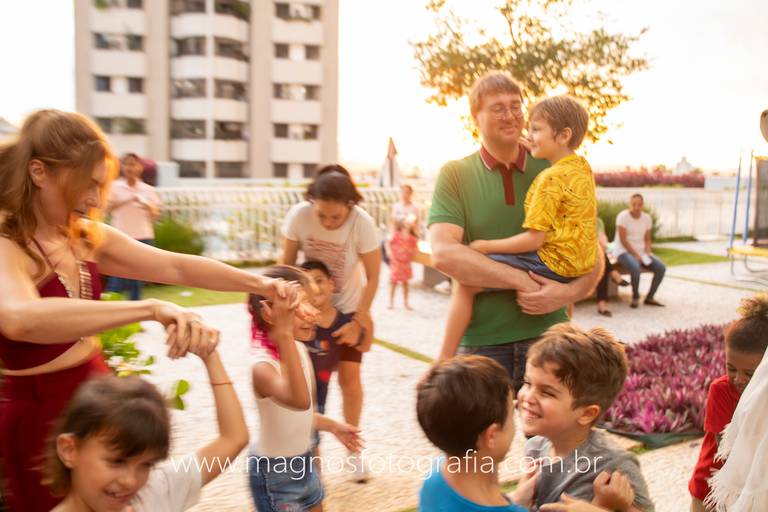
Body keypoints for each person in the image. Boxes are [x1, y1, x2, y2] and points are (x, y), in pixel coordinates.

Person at [0, 109, 295, 511]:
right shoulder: (9, 242)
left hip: (96, 401)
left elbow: (175, 266)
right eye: (88, 184)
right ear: (39, 172)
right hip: (41, 422)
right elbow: (19, 319)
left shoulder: (81, 235)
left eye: (100, 186)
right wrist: (150, 308)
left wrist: (261, 284)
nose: (94, 200)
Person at [428, 71, 603, 391]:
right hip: (483, 343)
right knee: (478, 426)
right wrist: (523, 281)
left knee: (550, 427)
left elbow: (592, 247)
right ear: (475, 116)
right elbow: (443, 254)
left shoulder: (553, 165)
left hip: (552, 337)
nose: (510, 116)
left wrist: (567, 294)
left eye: (516, 106)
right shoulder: (455, 174)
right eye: (498, 108)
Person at [43, 337, 248, 512]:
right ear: (69, 450)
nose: (130, 481)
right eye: (117, 461)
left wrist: (210, 355)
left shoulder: (153, 492)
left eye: (146, 464)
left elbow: (233, 439)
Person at [281, 164, 380, 481]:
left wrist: (359, 321)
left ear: (350, 205)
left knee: (350, 382)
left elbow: (374, 276)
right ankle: (310, 452)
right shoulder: (299, 216)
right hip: (308, 311)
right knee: (310, 385)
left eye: (335, 217)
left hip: (347, 311)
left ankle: (354, 451)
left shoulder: (362, 223)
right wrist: (287, 311)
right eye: (321, 215)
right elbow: (285, 267)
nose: (327, 222)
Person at [416, 355, 614, 512]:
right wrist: (600, 506)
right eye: (511, 415)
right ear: (492, 435)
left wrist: (516, 499)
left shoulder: (435, 478)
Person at [248, 265, 362, 511]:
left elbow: (299, 413)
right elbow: (299, 400)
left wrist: (331, 425)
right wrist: (284, 333)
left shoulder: (298, 349)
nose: (315, 313)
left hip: (305, 459)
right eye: (304, 305)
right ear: (270, 313)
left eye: (314, 303)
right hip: (274, 471)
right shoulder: (262, 367)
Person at [520, 323, 655, 511]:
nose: (528, 397)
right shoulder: (535, 447)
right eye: (527, 383)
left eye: (547, 392)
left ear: (586, 413)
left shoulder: (613, 465)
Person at [688, 294, 768, 512]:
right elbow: (729, 449)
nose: (738, 379)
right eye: (731, 368)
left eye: (749, 374)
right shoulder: (722, 390)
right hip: (712, 490)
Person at [299, 260, 372, 425]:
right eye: (307, 284)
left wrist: (366, 320)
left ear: (332, 284)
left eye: (319, 281)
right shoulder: (298, 323)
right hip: (296, 399)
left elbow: (364, 345)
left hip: (318, 402)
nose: (314, 288)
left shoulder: (344, 326)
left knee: (313, 436)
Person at [105, 153, 161, 300]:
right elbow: (107, 208)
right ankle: (108, 306)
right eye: (126, 164)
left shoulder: (147, 189)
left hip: (143, 236)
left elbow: (156, 214)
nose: (129, 167)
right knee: (117, 275)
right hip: (120, 236)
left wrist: (146, 205)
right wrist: (128, 199)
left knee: (137, 278)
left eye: (133, 164)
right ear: (121, 167)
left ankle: (135, 307)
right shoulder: (114, 187)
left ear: (140, 167)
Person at [613, 194, 665, 308]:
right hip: (623, 251)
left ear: (643, 205)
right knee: (635, 267)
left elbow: (647, 239)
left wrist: (647, 253)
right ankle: (635, 297)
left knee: (661, 267)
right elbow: (623, 240)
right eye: (634, 204)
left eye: (639, 204)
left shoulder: (647, 218)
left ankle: (650, 297)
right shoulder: (623, 217)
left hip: (641, 252)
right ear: (630, 205)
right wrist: (636, 255)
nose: (637, 207)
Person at [595, 217, 629, 317]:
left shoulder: (598, 221)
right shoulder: (575, 218)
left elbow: (602, 238)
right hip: (578, 256)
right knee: (602, 261)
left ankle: (602, 304)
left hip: (596, 254)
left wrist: (603, 245)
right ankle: (614, 274)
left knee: (602, 265)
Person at [387, 219, 418, 310]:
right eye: (406, 222)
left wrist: (411, 254)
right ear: (402, 224)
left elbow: (416, 249)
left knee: (405, 283)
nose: (408, 223)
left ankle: (406, 303)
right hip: (396, 262)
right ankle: (391, 303)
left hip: (406, 263)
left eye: (409, 222)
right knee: (394, 282)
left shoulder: (412, 238)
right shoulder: (396, 235)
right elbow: (388, 242)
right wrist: (389, 252)